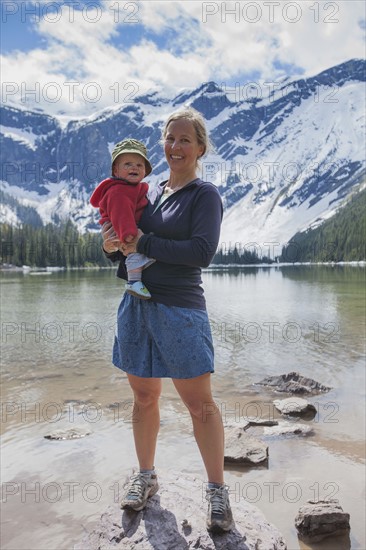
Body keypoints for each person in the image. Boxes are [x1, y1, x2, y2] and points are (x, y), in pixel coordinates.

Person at [102, 107, 234, 533]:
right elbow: (128, 244)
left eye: (185, 140)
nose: (175, 147)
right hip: (136, 305)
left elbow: (202, 253)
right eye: (170, 139)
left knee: (199, 405)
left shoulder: (204, 195)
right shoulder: (148, 191)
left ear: (199, 148)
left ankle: (216, 491)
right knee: (143, 398)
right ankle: (146, 475)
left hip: (180, 309)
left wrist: (144, 239)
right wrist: (112, 245)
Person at [90, 138, 155, 299]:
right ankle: (134, 281)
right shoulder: (119, 191)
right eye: (127, 164)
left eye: (139, 165)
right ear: (115, 171)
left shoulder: (133, 188)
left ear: (145, 171)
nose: (134, 167)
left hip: (124, 228)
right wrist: (129, 235)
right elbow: (122, 214)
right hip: (124, 229)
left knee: (136, 252)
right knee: (134, 253)